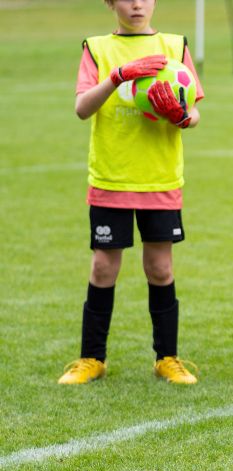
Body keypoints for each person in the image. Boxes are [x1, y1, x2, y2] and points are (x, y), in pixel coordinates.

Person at [60, 0, 204, 385]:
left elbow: (194, 112)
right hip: (112, 177)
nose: (137, 3)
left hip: (159, 178)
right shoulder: (97, 48)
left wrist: (181, 116)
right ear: (110, 3)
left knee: (160, 269)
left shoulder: (175, 46)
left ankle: (167, 358)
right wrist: (118, 76)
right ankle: (92, 358)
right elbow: (82, 108)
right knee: (104, 268)